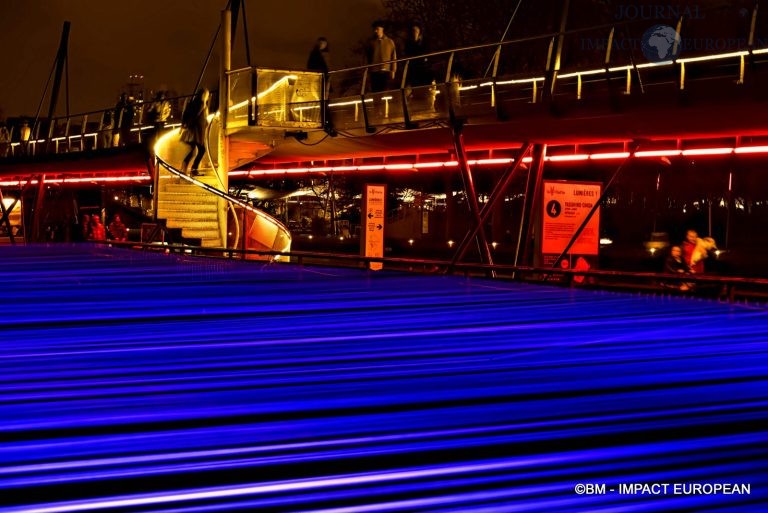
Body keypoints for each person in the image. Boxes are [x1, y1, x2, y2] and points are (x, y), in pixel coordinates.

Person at [179, 88, 210, 176]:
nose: (208, 97)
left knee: (193, 150)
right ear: (204, 95)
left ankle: (185, 168)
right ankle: (193, 169)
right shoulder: (201, 104)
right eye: (207, 95)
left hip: (192, 130)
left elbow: (186, 114)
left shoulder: (192, 103)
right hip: (196, 131)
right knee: (201, 150)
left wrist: (184, 126)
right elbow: (198, 116)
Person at [367, 21, 397, 93]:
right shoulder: (371, 43)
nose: (375, 31)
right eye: (375, 29)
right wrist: (367, 72)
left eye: (377, 29)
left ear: (382, 29)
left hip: (386, 71)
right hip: (374, 72)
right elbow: (367, 58)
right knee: (376, 93)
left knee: (386, 93)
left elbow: (393, 57)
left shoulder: (390, 42)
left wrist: (393, 71)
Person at [404, 22, 430, 87]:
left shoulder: (424, 42)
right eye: (413, 31)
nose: (414, 32)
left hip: (423, 67)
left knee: (422, 85)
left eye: (416, 31)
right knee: (415, 85)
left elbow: (427, 52)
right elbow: (407, 53)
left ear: (419, 32)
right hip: (413, 68)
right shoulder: (408, 43)